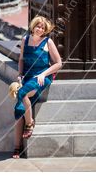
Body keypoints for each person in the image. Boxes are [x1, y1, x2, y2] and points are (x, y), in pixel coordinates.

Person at [12, 16, 62, 159]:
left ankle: (30, 123)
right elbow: (21, 59)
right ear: (33, 27)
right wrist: (20, 75)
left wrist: (44, 74)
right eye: (38, 26)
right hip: (27, 77)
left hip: (42, 77)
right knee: (20, 108)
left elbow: (58, 63)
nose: (40, 29)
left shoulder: (48, 42)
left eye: (43, 28)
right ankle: (17, 147)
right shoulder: (25, 40)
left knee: (23, 94)